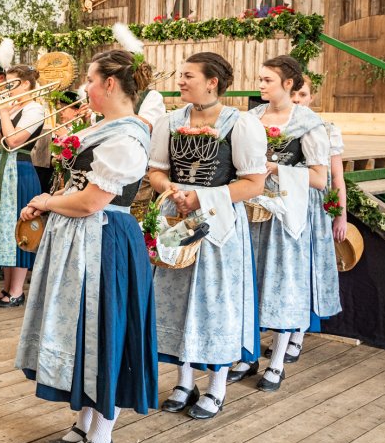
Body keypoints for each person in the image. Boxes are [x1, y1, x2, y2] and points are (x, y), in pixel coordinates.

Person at [16, 50, 157, 443]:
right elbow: (77, 189)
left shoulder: (126, 138)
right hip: (84, 239)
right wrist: (46, 202)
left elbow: (92, 201)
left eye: (91, 80)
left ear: (110, 84)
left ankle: (102, 434)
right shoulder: (105, 128)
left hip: (106, 241)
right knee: (85, 332)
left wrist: (48, 201)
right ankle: (85, 421)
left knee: (105, 330)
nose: (86, 88)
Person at [147, 52, 266, 420]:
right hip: (176, 218)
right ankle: (184, 382)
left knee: (215, 302)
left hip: (217, 224)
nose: (181, 81)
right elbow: (155, 171)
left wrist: (202, 197)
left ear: (212, 82)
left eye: (189, 76)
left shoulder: (240, 124)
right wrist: (172, 189)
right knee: (175, 296)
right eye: (181, 75)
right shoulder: (169, 122)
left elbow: (254, 183)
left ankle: (217, 386)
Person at [228, 56, 334, 392]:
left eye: (267, 80)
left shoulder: (308, 123)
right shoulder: (251, 118)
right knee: (248, 282)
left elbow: (320, 179)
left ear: (288, 84)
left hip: (285, 214)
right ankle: (247, 355)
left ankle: (276, 363)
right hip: (250, 210)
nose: (260, 85)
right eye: (260, 79)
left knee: (282, 283)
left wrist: (276, 169)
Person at [289, 77, 345, 358]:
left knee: (307, 267)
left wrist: (340, 216)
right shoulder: (278, 125)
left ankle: (298, 333)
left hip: (312, 205)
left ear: (311, 97)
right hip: (284, 201)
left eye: (303, 94)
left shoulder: (325, 129)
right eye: (293, 94)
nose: (297, 99)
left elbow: (336, 178)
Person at [0, 64, 45, 307]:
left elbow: (13, 141)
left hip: (18, 171)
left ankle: (16, 290)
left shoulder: (34, 108)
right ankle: (7, 287)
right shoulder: (14, 107)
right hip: (1, 168)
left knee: (19, 226)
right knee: (4, 227)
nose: (6, 89)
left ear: (25, 84)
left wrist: (3, 113)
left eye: (10, 84)